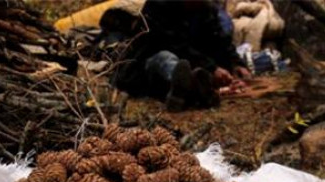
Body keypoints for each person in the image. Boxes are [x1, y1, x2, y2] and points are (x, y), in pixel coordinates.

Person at [107, 0, 251, 111]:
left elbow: (219, 40)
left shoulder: (206, 9)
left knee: (195, 66)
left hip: (196, 62)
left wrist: (235, 63)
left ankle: (193, 87)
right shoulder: (158, 6)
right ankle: (189, 83)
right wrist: (211, 68)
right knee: (166, 59)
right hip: (148, 65)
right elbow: (172, 43)